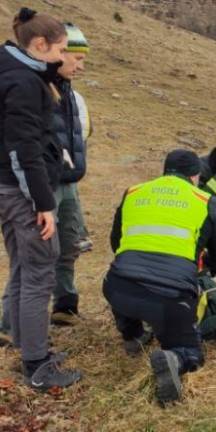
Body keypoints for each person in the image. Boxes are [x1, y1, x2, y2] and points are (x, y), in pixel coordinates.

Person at [103, 149, 216, 403]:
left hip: (117, 287)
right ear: (195, 176)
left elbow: (116, 242)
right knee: (192, 353)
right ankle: (175, 357)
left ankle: (133, 334)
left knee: (125, 285)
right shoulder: (203, 200)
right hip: (171, 297)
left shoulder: (134, 192)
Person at [0, 7, 81, 389]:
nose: (63, 58)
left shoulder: (12, 71)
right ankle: (36, 364)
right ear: (39, 44)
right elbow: (23, 150)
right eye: (60, 50)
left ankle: (24, 342)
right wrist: (43, 204)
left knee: (21, 266)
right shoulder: (23, 83)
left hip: (8, 188)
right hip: (20, 192)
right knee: (38, 273)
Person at [49, 22, 93, 325]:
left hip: (69, 184)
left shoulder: (75, 98)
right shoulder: (36, 91)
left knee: (69, 245)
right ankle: (12, 324)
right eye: (76, 58)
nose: (81, 66)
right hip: (43, 185)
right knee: (37, 254)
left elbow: (82, 136)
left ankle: (64, 305)